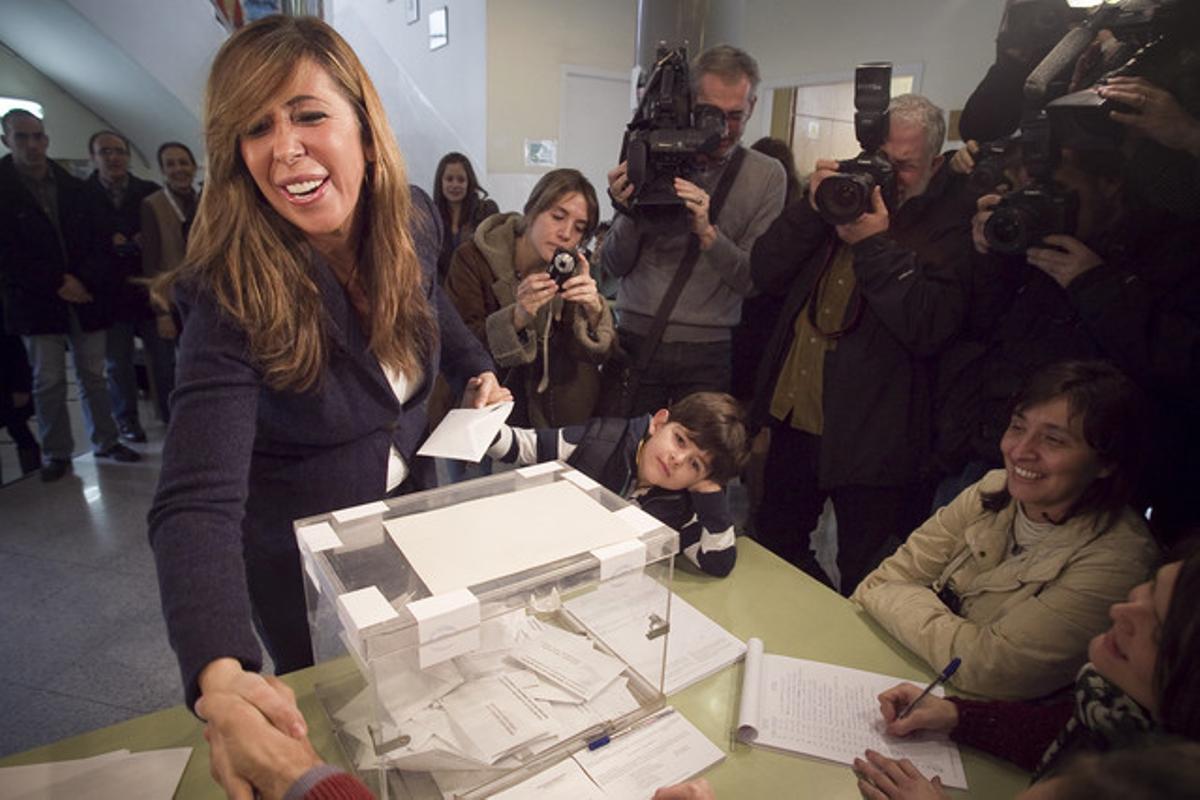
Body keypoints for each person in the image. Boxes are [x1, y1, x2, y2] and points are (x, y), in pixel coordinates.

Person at [146, 16, 504, 792]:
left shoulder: (409, 218)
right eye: (256, 128)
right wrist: (220, 676)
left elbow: (435, 305)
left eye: (308, 114)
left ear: (365, 132)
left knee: (417, 662)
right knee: (303, 684)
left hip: (404, 491)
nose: (285, 149)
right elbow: (195, 501)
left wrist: (477, 366)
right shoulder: (230, 287)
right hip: (289, 526)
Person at [748, 94, 974, 596]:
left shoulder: (947, 228)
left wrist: (874, 245)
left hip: (875, 441)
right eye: (879, 160)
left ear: (935, 165)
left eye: (905, 166)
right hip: (794, 417)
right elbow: (764, 271)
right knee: (773, 546)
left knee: (868, 576)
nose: (888, 176)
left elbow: (929, 326)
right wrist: (811, 207)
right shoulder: (837, 203)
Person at [852, 360, 1158, 699]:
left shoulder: (1117, 561)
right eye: (1017, 427)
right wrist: (946, 629)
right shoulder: (991, 489)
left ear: (1106, 463)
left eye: (1053, 440)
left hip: (973, 721)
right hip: (903, 681)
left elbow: (988, 666)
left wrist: (895, 598)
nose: (1020, 451)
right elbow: (886, 578)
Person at [855, 549, 1200, 797]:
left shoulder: (1161, 780)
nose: (1121, 610)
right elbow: (1049, 731)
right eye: (1151, 589)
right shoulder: (1110, 705)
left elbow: (986, 659)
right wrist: (955, 713)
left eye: (1158, 629)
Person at [602, 44, 786, 414]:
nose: (724, 129)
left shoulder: (766, 176)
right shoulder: (649, 152)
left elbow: (752, 280)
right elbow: (613, 264)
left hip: (708, 350)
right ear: (690, 102)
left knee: (698, 467)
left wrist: (708, 234)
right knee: (619, 463)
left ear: (752, 105)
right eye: (711, 113)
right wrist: (628, 211)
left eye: (736, 115)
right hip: (635, 338)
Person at [0, 109, 139, 482]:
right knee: (48, 380)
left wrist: (80, 279)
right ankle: (57, 451)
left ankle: (107, 440)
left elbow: (97, 241)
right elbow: (8, 254)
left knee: (94, 374)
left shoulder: (73, 187)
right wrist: (57, 281)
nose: (31, 145)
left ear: (46, 140)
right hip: (35, 300)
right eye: (22, 137)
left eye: (37, 136)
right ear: (6, 140)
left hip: (85, 295)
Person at [486, 391, 750, 577]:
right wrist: (482, 417)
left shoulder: (681, 507)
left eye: (695, 465)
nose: (678, 459)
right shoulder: (598, 441)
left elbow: (718, 563)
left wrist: (709, 494)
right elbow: (517, 445)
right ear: (658, 423)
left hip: (604, 593)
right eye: (679, 440)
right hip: (538, 563)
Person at [444, 168, 614, 428]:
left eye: (579, 228)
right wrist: (516, 317)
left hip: (555, 421)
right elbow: (458, 344)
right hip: (482, 411)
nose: (566, 233)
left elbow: (592, 357)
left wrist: (594, 312)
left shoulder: (573, 270)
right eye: (558, 216)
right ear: (532, 211)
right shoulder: (473, 258)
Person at [81, 129, 161, 443]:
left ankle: (171, 416)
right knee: (119, 364)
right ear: (94, 157)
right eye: (105, 152)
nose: (113, 158)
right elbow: (80, 243)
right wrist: (107, 244)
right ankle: (127, 420)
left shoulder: (148, 191)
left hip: (147, 289)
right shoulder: (81, 195)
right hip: (110, 294)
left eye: (119, 152)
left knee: (163, 359)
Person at [139, 141, 200, 423]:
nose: (179, 169)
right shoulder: (153, 205)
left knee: (198, 364)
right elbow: (150, 263)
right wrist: (160, 311)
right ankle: (171, 423)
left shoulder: (205, 200)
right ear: (162, 171)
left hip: (202, 298)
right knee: (166, 368)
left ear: (193, 166)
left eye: (183, 163)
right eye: (171, 164)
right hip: (170, 298)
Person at [432, 151, 498, 282]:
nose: (455, 185)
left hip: (477, 289)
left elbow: (495, 256)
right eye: (449, 179)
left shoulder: (486, 211)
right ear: (441, 182)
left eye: (461, 180)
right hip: (440, 293)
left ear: (469, 182)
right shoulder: (431, 215)